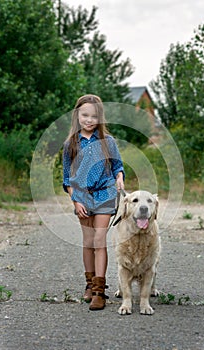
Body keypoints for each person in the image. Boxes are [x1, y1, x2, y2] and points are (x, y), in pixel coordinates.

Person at [63, 94, 125, 310]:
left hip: (105, 194)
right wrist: (75, 201)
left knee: (99, 240)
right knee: (88, 242)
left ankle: (99, 290)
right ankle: (89, 285)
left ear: (100, 118)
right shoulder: (70, 144)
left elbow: (118, 166)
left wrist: (119, 178)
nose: (89, 120)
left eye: (93, 116)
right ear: (77, 115)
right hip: (82, 197)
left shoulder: (108, 142)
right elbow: (66, 179)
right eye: (85, 115)